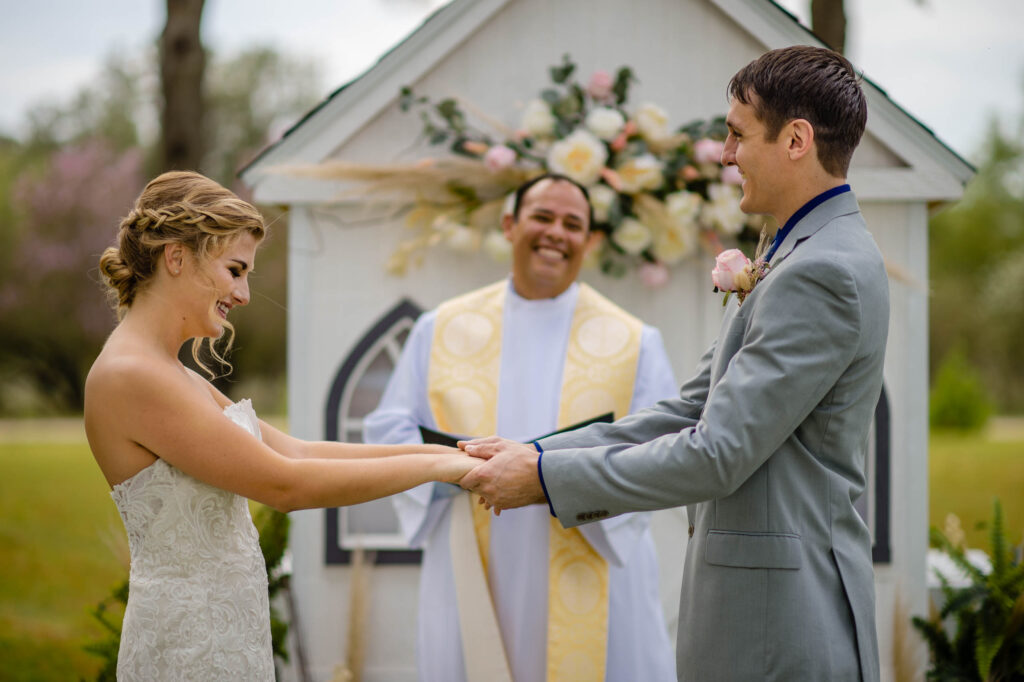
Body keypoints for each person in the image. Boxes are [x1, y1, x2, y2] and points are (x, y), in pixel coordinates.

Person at [461, 45, 888, 682]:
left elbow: (717, 452)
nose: (726, 154)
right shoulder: (794, 250)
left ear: (795, 140)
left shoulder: (820, 271)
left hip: (781, 625)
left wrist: (546, 481)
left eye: (737, 135)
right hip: (758, 616)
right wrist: (534, 455)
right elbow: (689, 410)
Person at [84, 171, 478, 681]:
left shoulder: (168, 371)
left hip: (221, 635)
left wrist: (448, 455)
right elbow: (284, 484)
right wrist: (442, 470)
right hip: (189, 649)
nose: (244, 294)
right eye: (235, 270)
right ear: (176, 257)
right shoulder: (131, 375)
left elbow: (295, 452)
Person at [364, 173, 678, 681]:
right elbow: (389, 428)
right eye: (542, 217)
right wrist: (456, 468)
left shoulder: (636, 341)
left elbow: (658, 451)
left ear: (590, 241)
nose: (557, 232)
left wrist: (556, 480)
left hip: (590, 549)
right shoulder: (440, 328)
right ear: (510, 225)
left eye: (573, 224)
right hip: (471, 549)